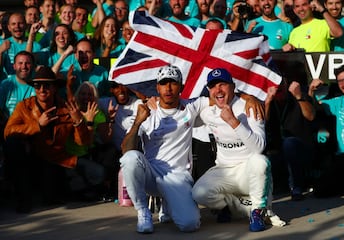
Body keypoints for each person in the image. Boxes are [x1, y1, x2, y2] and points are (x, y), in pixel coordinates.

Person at [192, 68, 286, 232]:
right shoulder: (207, 112)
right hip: (224, 171)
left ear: (233, 86)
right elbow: (181, 112)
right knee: (198, 193)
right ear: (209, 91)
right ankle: (232, 207)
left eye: (223, 85)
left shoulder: (251, 107)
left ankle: (257, 211)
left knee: (260, 161)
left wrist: (233, 122)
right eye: (213, 86)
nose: (218, 90)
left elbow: (259, 147)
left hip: (249, 172)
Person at [119, 65, 207, 233]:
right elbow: (125, 150)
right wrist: (138, 122)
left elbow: (219, 98)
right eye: (164, 83)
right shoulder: (147, 110)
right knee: (130, 159)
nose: (168, 88)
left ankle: (168, 203)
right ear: (157, 87)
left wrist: (249, 96)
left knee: (189, 224)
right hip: (151, 174)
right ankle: (143, 211)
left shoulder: (191, 106)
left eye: (173, 83)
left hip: (178, 177)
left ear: (181, 87)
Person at [4, 66, 104, 213]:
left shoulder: (66, 108)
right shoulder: (24, 106)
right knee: (12, 145)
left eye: (46, 85)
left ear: (55, 87)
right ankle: (24, 198)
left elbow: (82, 142)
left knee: (98, 173)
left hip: (58, 160)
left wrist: (79, 122)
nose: (42, 89)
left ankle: (61, 189)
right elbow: (8, 132)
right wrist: (37, 125)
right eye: (37, 85)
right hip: (31, 158)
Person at [308, 64, 344, 197]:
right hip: (343, 157)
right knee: (320, 191)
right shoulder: (337, 101)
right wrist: (311, 91)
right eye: (340, 81)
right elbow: (312, 111)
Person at [264, 77, 316, 200]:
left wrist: (298, 97)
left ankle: (296, 188)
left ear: (286, 83)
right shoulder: (268, 102)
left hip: (301, 149)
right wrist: (267, 102)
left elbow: (311, 116)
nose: (278, 88)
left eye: (281, 84)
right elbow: (261, 124)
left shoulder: (298, 96)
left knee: (289, 143)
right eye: (274, 85)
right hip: (276, 151)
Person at [0, 51, 36, 120]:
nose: (24, 66)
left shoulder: (38, 86)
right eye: (20, 63)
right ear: (14, 66)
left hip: (31, 127)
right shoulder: (5, 85)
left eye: (27, 63)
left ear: (33, 66)